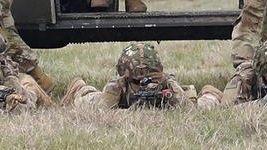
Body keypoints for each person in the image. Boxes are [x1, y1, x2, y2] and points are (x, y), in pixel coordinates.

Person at [61, 42, 202, 109]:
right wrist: (132, 109)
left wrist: (170, 85)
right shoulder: (117, 85)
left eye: (152, 79)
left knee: (203, 103)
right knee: (89, 101)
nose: (145, 85)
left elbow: (188, 109)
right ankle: (80, 88)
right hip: (101, 99)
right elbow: (103, 112)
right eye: (137, 82)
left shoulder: (165, 82)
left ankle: (210, 92)